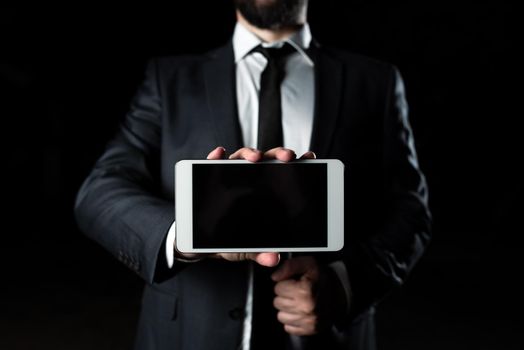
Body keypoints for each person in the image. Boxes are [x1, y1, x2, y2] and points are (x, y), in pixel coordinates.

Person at [74, 0, 431, 349]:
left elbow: (411, 210)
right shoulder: (169, 79)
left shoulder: (375, 81)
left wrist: (346, 283)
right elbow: (100, 190)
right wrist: (189, 232)